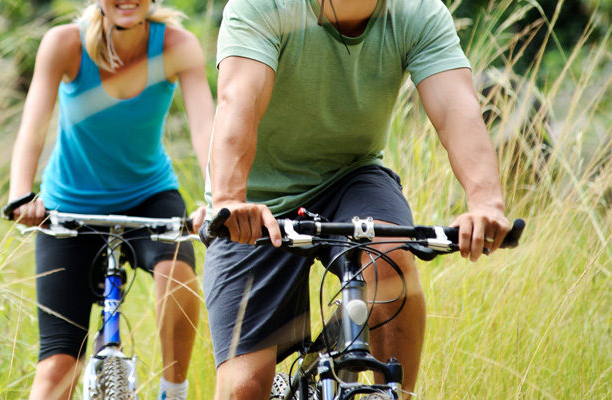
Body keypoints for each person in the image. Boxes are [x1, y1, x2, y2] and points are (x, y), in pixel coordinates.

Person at [202, 0, 512, 399]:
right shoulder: (263, 6)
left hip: (352, 174)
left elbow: (457, 108)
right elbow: (239, 98)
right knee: (243, 388)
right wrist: (230, 198)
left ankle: (394, 395)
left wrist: (486, 203)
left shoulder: (417, 12)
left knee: (389, 252)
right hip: (256, 202)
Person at [6, 0, 214, 398]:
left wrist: (218, 198)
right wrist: (21, 195)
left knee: (178, 276)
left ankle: (174, 390)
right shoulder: (64, 43)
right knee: (57, 369)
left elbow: (205, 127)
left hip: (148, 197)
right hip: (68, 206)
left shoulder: (177, 46)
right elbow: (33, 126)